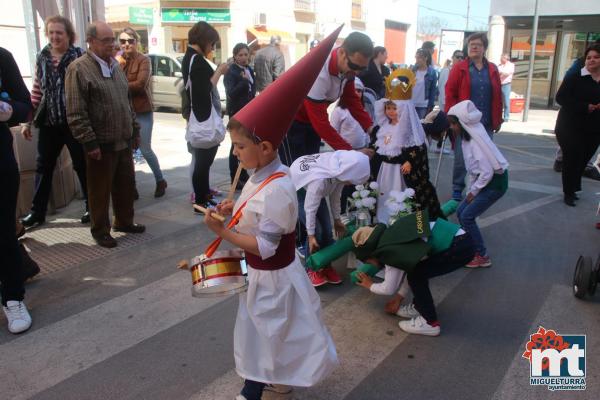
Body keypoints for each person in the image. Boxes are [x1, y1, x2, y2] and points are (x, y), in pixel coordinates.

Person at [203, 28, 341, 399]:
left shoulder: (278, 187)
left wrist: (224, 231)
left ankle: (251, 390)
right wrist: (236, 208)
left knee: (263, 335)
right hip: (267, 278)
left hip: (273, 278)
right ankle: (277, 378)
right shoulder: (263, 173)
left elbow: (264, 245)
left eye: (240, 146)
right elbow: (257, 211)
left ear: (264, 147)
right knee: (271, 333)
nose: (235, 153)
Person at [66, 21, 145, 248]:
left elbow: (126, 103)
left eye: (113, 40)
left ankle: (124, 221)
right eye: (107, 40)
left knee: (125, 185)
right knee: (99, 190)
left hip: (123, 138)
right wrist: (89, 142)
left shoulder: (115, 66)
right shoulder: (79, 68)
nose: (112, 45)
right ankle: (100, 229)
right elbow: (75, 110)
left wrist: (135, 131)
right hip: (99, 143)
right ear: (91, 41)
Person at [20, 15, 88, 228]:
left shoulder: (79, 56)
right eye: (51, 32)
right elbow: (37, 90)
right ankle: (37, 212)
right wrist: (27, 121)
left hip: (74, 121)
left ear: (69, 35)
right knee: (43, 167)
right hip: (49, 122)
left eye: (59, 32)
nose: (55, 36)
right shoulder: (42, 57)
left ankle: (92, 206)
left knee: (82, 165)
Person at [354, 217, 475, 336]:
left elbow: (389, 288)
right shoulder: (391, 235)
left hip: (458, 247)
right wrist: (398, 299)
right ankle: (419, 307)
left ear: (372, 253)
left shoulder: (389, 252)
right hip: (461, 238)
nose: (372, 266)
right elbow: (410, 268)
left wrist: (369, 285)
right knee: (417, 272)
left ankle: (430, 323)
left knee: (417, 276)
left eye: (369, 262)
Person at [290, 150, 371, 287]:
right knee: (317, 232)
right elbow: (309, 208)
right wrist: (310, 235)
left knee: (327, 231)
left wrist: (337, 220)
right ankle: (311, 268)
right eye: (352, 180)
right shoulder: (320, 181)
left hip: (313, 188)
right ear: (348, 173)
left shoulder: (339, 173)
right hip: (301, 188)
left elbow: (335, 198)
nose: (351, 184)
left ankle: (325, 265)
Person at [448, 100, 509, 268]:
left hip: (495, 184)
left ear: (461, 123)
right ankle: (470, 247)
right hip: (485, 182)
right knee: (461, 212)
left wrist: (473, 192)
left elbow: (487, 172)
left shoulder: (475, 143)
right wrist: (471, 190)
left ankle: (482, 255)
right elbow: (474, 171)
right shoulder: (467, 138)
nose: (452, 128)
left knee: (467, 216)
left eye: (453, 124)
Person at [445, 32, 502, 202]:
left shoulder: (492, 69)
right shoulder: (460, 68)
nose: (474, 47)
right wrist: (452, 118)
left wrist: (497, 118)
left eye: (478, 44)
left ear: (484, 48)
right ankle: (457, 188)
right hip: (464, 122)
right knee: (463, 159)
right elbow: (450, 94)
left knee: (484, 158)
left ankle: (478, 188)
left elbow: (498, 95)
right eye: (471, 44)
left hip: (485, 122)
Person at [1, 47, 34, 333]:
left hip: (0, 164)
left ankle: (13, 298)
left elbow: (26, 104)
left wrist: (8, 110)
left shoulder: (2, 57)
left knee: (3, 234)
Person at [181, 21, 228, 212]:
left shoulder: (190, 57)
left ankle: (203, 197)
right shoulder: (197, 61)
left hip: (200, 117)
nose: (212, 47)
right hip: (203, 117)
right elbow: (204, 90)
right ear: (204, 40)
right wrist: (219, 72)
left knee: (203, 162)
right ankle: (200, 202)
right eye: (211, 43)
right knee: (203, 162)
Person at [119, 27, 167, 198]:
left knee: (145, 149)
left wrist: (119, 84)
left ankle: (160, 180)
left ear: (136, 42)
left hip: (142, 110)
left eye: (130, 41)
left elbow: (140, 84)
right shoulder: (118, 61)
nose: (126, 44)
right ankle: (132, 186)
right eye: (122, 41)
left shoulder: (143, 60)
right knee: (126, 152)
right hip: (124, 112)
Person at [554, 44, 600, 206]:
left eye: (596, 57)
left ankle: (574, 188)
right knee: (571, 159)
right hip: (569, 127)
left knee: (583, 160)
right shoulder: (576, 77)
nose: (591, 60)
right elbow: (561, 98)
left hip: (594, 129)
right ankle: (569, 192)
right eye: (588, 57)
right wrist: (584, 106)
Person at [224, 43, 255, 189]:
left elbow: (252, 88)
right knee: (235, 145)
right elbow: (231, 93)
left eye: (245, 54)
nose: (243, 58)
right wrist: (243, 81)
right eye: (240, 55)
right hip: (236, 112)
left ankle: (243, 174)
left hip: (249, 111)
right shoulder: (232, 72)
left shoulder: (249, 69)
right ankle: (234, 178)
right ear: (235, 56)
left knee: (246, 143)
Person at [411, 48, 438, 119]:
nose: (417, 59)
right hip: (411, 104)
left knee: (422, 126)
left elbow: (433, 91)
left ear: (426, 58)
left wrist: (430, 107)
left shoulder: (432, 72)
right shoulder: (412, 70)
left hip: (423, 105)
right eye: (416, 57)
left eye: (419, 57)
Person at [498, 53, 515, 122]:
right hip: (499, 84)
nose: (500, 59)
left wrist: (501, 73)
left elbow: (507, 74)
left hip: (506, 85)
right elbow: (497, 74)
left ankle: (506, 117)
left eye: (502, 58)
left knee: (506, 102)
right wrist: (501, 73)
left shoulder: (511, 65)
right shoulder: (499, 65)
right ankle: (499, 116)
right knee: (499, 102)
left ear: (506, 59)